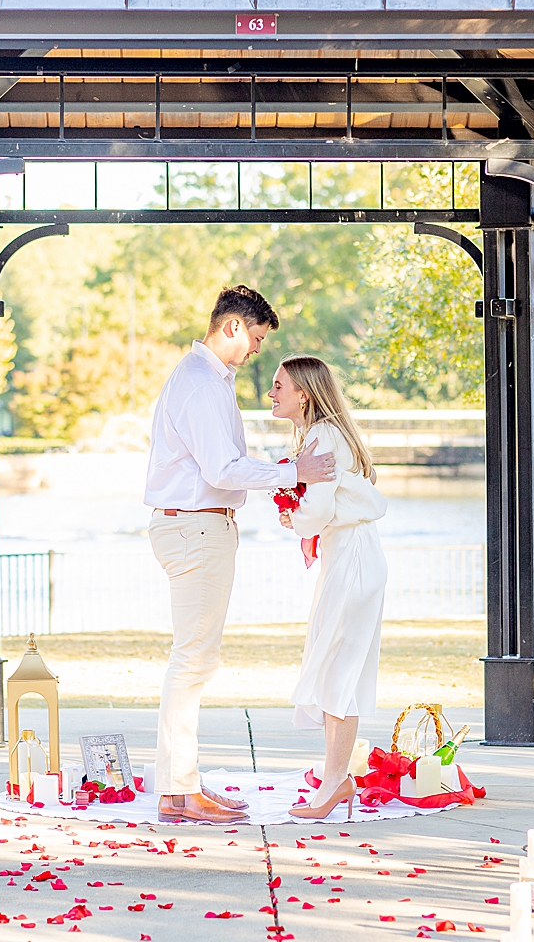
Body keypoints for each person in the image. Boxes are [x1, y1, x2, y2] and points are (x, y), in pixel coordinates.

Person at [145, 285, 337, 824]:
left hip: (196, 528)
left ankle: (180, 787)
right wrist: (293, 472)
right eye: (254, 337)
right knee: (192, 662)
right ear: (231, 327)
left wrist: (279, 476)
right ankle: (180, 793)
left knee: (195, 660)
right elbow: (223, 471)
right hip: (196, 530)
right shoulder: (202, 382)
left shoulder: (204, 379)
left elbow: (224, 465)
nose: (256, 350)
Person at [266, 355, 388, 821]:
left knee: (339, 665)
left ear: (305, 394)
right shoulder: (322, 435)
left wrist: (291, 517)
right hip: (349, 554)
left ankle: (335, 783)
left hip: (352, 560)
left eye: (280, 386)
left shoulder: (322, 437)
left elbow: (315, 511)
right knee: (339, 664)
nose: (272, 393)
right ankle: (336, 778)